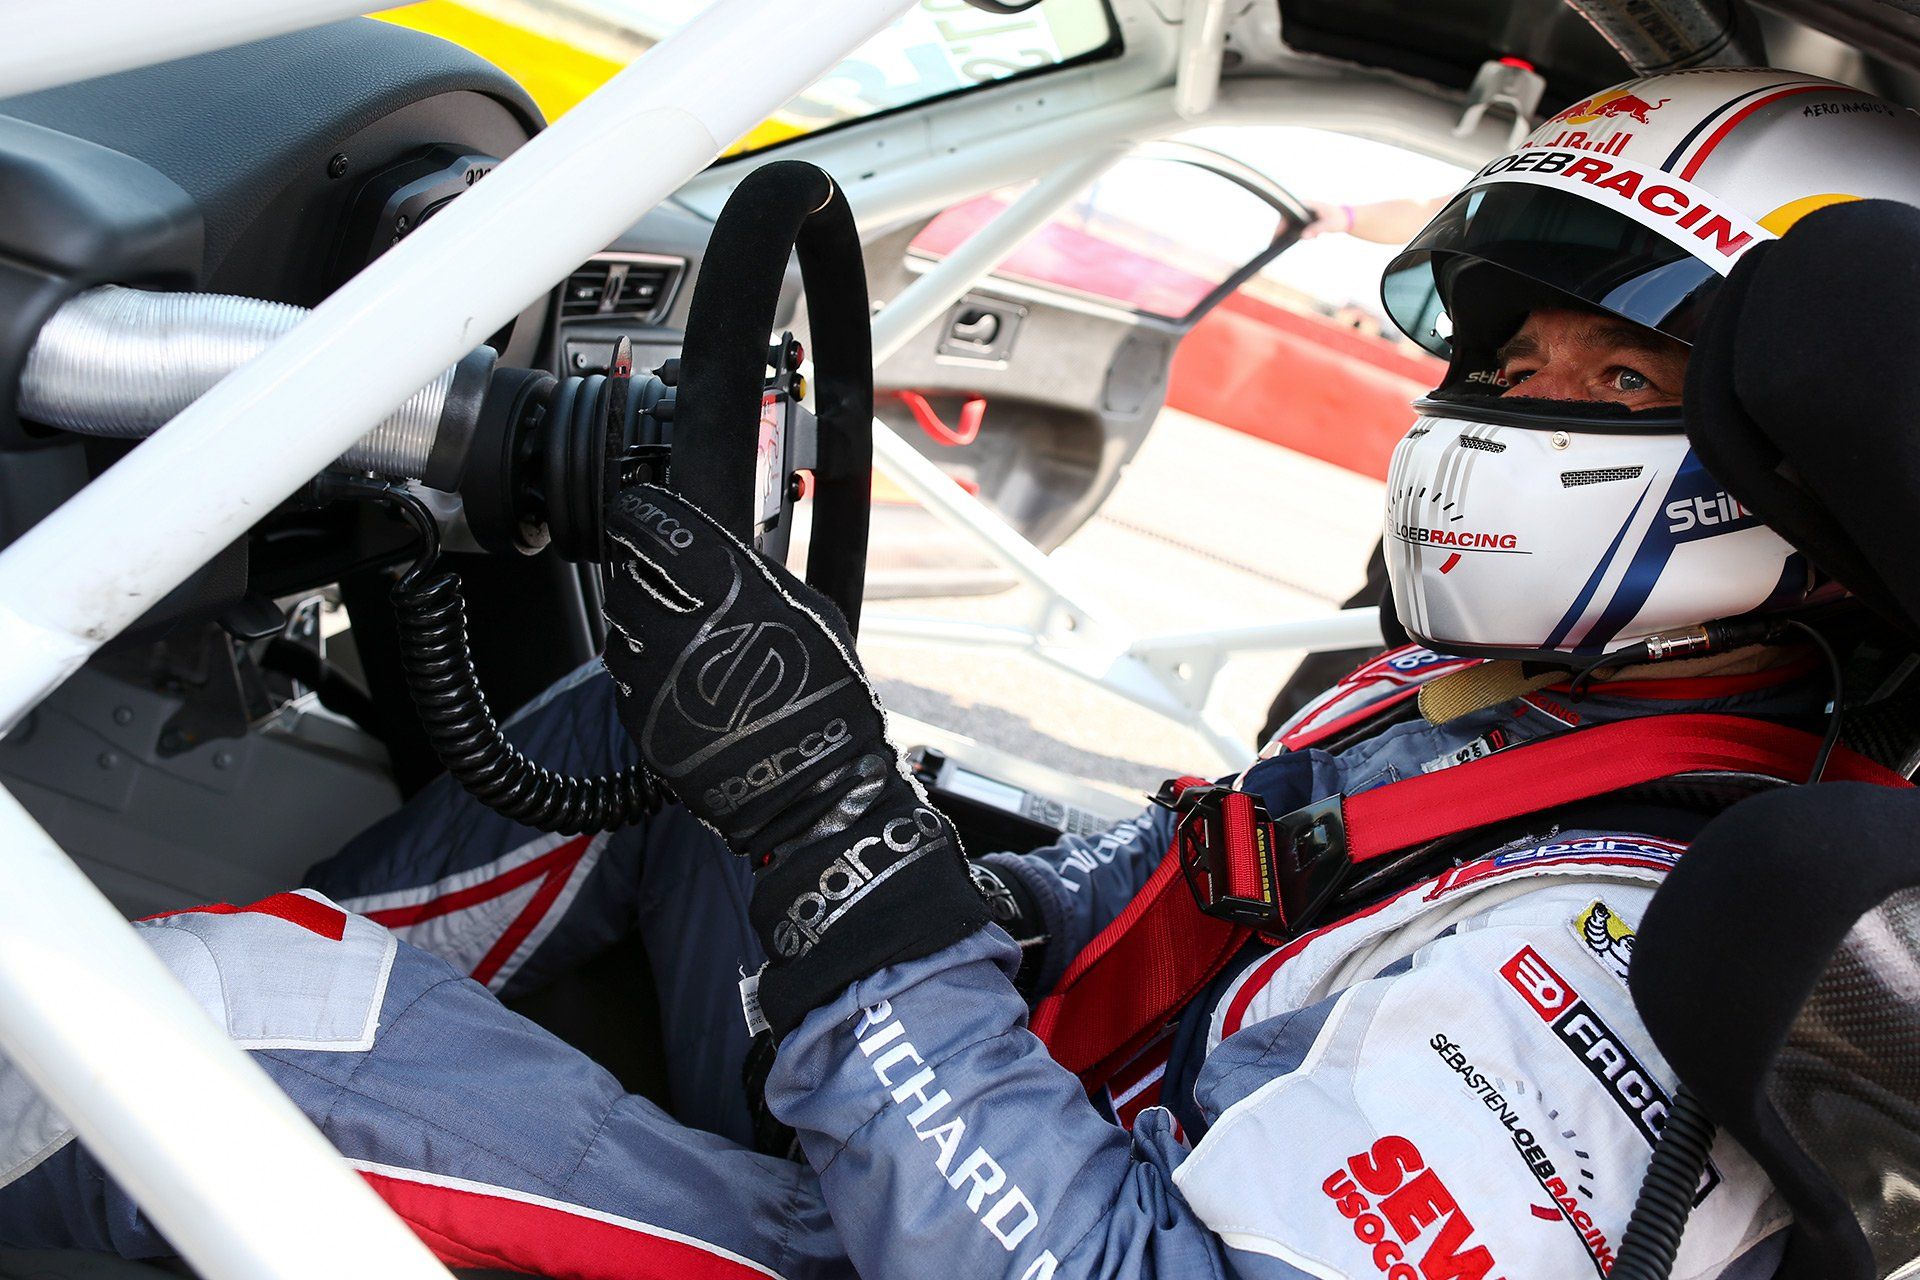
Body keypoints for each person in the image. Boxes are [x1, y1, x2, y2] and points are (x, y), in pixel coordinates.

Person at [6, 66, 1920, 1280]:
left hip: (986, 1242)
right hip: (1019, 1141)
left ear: (1806, 483)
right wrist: (906, 852)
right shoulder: (1525, 699)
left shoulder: (1629, 934)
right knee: (636, 736)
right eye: (1517, 365)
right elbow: (1188, 899)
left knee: (228, 1019)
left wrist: (843, 856)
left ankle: (194, 1089)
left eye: (1626, 384)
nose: (1521, 414)